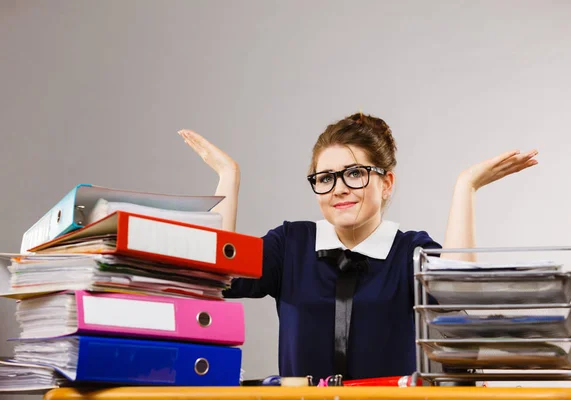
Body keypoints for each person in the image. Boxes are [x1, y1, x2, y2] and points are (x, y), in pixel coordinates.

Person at [177, 112, 538, 382]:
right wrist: (228, 177)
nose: (338, 189)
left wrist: (465, 188)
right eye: (325, 178)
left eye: (354, 174)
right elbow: (211, 275)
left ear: (386, 183)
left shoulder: (411, 251)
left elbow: (459, 296)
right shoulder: (290, 245)